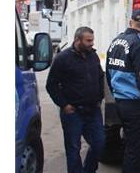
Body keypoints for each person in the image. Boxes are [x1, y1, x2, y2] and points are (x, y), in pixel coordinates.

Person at [105, 9, 140, 173]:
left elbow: (109, 72)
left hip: (120, 101)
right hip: (135, 105)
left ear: (131, 22)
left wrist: (116, 94)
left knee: (130, 146)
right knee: (135, 150)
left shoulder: (116, 41)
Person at [46, 26, 105, 173]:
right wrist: (64, 105)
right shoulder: (63, 58)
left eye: (92, 40)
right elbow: (51, 85)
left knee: (99, 144)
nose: (92, 43)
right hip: (73, 113)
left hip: (93, 110)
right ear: (77, 40)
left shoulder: (93, 56)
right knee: (73, 149)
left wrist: (99, 97)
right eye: (88, 40)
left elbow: (100, 77)